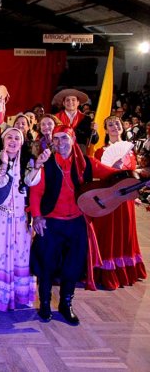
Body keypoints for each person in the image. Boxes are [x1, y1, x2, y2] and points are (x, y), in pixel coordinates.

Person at [29, 125, 123, 325]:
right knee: (46, 265)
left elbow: (111, 174)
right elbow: (36, 192)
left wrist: (130, 173)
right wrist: (37, 217)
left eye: (64, 138)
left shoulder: (86, 163)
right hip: (51, 222)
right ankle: (44, 304)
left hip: (77, 222)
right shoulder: (46, 164)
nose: (60, 142)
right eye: (56, 139)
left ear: (72, 139)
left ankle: (66, 304)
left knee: (72, 266)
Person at [0, 127, 47, 312]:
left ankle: (19, 295)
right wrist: (4, 164)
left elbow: (30, 181)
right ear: (3, 141)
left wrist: (37, 166)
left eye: (16, 138)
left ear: (21, 142)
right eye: (9, 138)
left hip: (20, 218)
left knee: (20, 255)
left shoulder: (28, 160)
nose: (13, 141)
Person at [91, 116, 147, 289]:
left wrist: (136, 194)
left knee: (125, 233)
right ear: (106, 130)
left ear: (122, 127)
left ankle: (125, 271)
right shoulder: (100, 152)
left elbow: (133, 177)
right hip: (109, 198)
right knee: (108, 233)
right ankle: (106, 272)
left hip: (126, 200)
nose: (114, 126)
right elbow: (99, 178)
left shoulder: (130, 151)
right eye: (110, 125)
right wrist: (113, 167)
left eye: (117, 123)